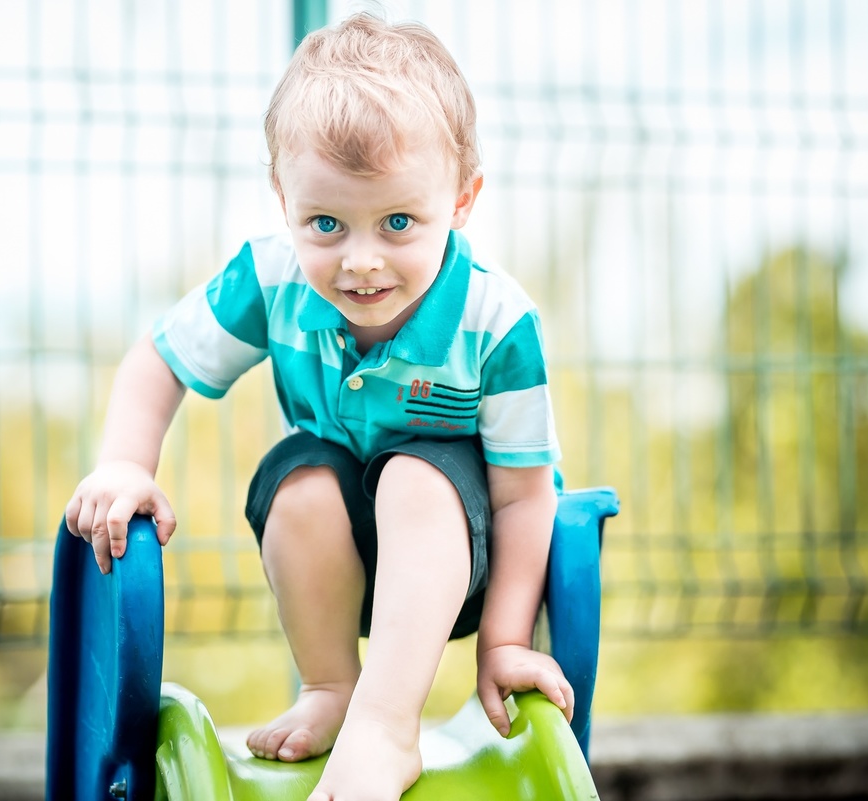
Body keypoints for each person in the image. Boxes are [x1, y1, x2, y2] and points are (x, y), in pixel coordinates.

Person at [64, 12, 572, 801]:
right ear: (284, 198)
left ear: (462, 200)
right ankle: (333, 686)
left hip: (452, 559)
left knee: (412, 472)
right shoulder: (273, 279)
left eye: (398, 222)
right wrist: (128, 463)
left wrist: (505, 640)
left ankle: (384, 725)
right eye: (325, 223)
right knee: (296, 479)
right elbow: (158, 359)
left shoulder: (496, 323)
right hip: (336, 552)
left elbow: (525, 493)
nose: (360, 261)